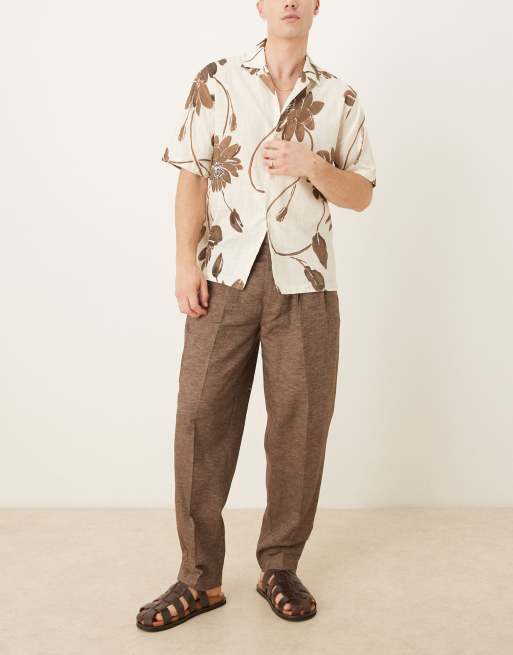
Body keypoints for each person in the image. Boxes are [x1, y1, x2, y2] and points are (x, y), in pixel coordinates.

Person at [136, 0, 376, 632]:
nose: (289, 2)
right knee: (199, 418)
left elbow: (361, 195)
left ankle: (280, 566)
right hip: (223, 275)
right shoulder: (216, 80)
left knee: (300, 426)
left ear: (316, 5)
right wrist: (184, 263)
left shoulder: (340, 96)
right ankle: (199, 579)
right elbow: (191, 175)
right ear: (262, 5)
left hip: (307, 283)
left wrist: (312, 165)